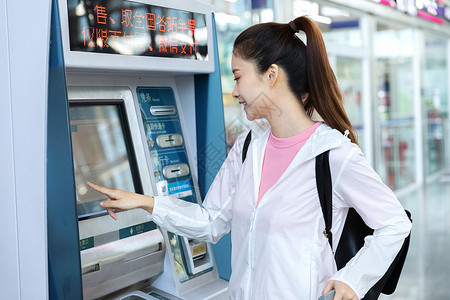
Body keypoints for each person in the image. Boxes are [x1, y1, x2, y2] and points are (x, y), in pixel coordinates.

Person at [87, 16, 412, 300]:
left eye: (238, 76)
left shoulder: (332, 155)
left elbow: (394, 223)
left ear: (271, 76)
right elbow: (212, 221)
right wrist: (147, 203)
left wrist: (352, 279)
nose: (234, 90)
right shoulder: (247, 147)